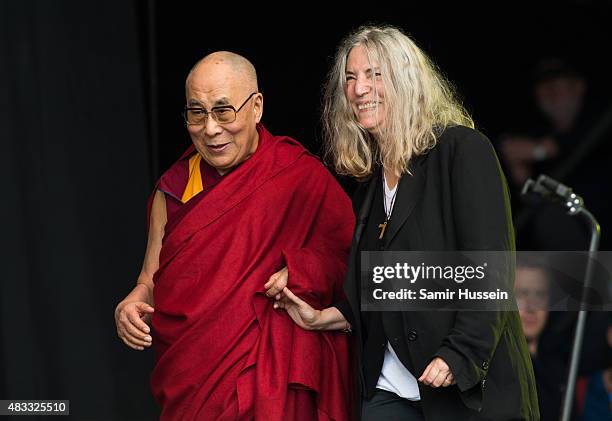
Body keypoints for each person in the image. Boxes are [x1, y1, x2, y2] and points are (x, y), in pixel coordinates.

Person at [269, 25, 539, 420]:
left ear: (408, 79)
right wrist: (330, 316)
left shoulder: (462, 150)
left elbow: (491, 268)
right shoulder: (372, 183)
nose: (360, 89)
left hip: (462, 387)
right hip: (389, 388)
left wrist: (460, 353)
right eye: (351, 78)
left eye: (374, 74)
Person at [114, 51, 355, 420]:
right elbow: (149, 280)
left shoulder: (298, 177)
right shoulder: (176, 188)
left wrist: (305, 271)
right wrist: (132, 303)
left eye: (223, 112)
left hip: (271, 377)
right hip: (194, 384)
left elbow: (354, 264)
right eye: (197, 113)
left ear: (256, 107)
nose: (210, 129)